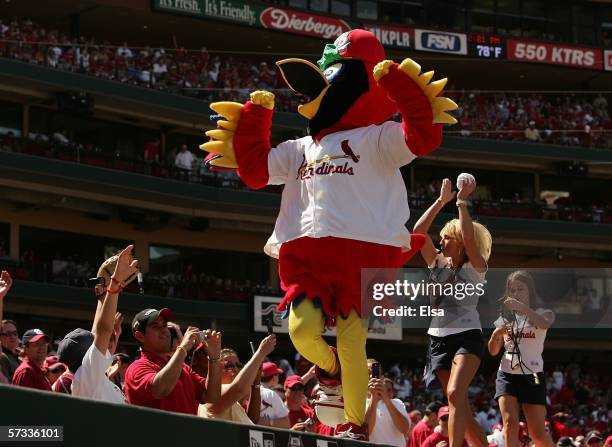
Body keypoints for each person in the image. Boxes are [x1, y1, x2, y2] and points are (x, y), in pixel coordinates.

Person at [413, 176, 492, 447]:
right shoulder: (438, 263)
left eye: (446, 238)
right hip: (437, 339)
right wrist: (439, 201)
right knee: (457, 402)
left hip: (467, 336)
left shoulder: (476, 267)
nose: (441, 242)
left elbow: (470, 238)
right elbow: (418, 232)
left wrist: (460, 202)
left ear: (458, 242)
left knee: (457, 392)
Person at [57, 245, 139, 403]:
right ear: (85, 356)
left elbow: (98, 331)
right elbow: (102, 331)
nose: (98, 343)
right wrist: (114, 285)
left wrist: (103, 294)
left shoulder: (90, 377)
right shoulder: (87, 376)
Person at [489, 271, 555, 447]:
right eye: (513, 290)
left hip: (532, 375)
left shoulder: (543, 312)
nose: (516, 293)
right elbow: (493, 351)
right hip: (507, 374)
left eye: (520, 289)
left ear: (530, 291)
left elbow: (544, 324)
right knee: (510, 424)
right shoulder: (504, 319)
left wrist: (523, 308)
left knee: (538, 434)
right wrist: (495, 335)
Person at [124, 307, 222, 415]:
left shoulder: (183, 368)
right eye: (156, 326)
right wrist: (183, 348)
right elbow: (160, 390)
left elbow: (211, 396)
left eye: (165, 325)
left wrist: (214, 358)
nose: (164, 330)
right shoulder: (136, 368)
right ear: (140, 336)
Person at [199, 336, 276, 424]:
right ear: (216, 371)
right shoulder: (211, 393)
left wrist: (256, 382)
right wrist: (261, 352)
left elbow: (253, 420)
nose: (236, 369)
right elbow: (238, 389)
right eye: (229, 366)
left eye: (239, 365)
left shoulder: (237, 403)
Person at [365, 362, 411, 447]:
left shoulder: (397, 403)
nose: (371, 376)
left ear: (382, 378)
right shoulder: (360, 406)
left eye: (375, 373)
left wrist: (386, 399)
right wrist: (374, 398)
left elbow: (405, 429)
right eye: (368, 373)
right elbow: (366, 433)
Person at [0, 270, 19, 383]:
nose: (12, 337)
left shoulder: (20, 359)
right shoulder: (3, 358)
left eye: (15, 333)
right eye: (7, 334)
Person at [260, 361, 290, 428]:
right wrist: (269, 422)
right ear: (274, 378)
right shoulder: (271, 394)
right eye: (277, 375)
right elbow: (286, 423)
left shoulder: (250, 390)